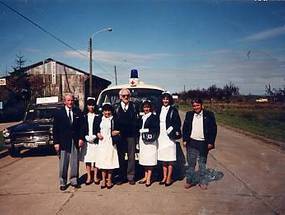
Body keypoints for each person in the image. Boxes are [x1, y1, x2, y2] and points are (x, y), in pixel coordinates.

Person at [182, 98, 217, 190]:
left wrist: (211, 142)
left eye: (197, 105)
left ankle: (202, 182)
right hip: (192, 142)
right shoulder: (189, 114)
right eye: (194, 106)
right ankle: (189, 181)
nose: (196, 107)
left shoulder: (209, 115)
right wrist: (185, 140)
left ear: (202, 105)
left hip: (203, 143)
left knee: (202, 164)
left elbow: (213, 129)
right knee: (191, 164)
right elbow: (185, 128)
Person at [53, 93, 84, 191]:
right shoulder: (59, 113)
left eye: (71, 100)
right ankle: (63, 182)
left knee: (74, 162)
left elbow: (82, 127)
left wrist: (81, 138)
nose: (70, 102)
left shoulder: (77, 111)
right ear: (64, 101)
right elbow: (55, 129)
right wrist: (56, 143)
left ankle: (74, 180)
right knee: (63, 163)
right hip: (63, 141)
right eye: (68, 100)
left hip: (74, 140)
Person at [115, 88, 139, 185]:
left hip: (131, 135)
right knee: (120, 156)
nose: (126, 97)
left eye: (127, 96)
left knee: (131, 157)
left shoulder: (134, 106)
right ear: (120, 97)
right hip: (120, 136)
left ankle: (130, 176)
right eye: (124, 96)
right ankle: (121, 176)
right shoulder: (115, 107)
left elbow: (137, 121)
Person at [157, 91, 181, 186]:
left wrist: (170, 129)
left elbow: (177, 123)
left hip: (169, 136)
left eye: (167, 99)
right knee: (163, 158)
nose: (165, 100)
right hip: (161, 135)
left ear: (169, 100)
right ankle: (164, 177)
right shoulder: (159, 109)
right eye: (164, 99)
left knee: (170, 158)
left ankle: (169, 177)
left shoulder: (173, 110)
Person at [95, 103, 120, 189]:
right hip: (102, 143)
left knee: (110, 161)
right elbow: (96, 128)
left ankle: (109, 180)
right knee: (103, 161)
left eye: (109, 110)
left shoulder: (114, 119)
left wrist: (117, 132)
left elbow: (120, 129)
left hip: (110, 143)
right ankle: (103, 179)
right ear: (103, 111)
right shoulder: (99, 119)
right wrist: (98, 134)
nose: (107, 112)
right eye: (105, 110)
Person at [138, 100, 159, 187]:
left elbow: (155, 129)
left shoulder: (154, 117)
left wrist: (144, 130)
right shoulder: (142, 117)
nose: (146, 109)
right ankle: (145, 176)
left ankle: (149, 178)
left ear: (150, 108)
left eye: (148, 107)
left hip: (150, 141)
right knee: (144, 159)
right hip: (142, 140)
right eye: (145, 107)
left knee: (150, 159)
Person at [80, 97, 100, 185]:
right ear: (87, 106)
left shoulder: (98, 116)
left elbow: (100, 128)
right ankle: (89, 177)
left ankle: (95, 176)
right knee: (88, 159)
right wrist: (85, 137)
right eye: (89, 105)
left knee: (95, 159)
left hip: (95, 141)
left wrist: (95, 136)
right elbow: (81, 128)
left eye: (92, 105)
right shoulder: (84, 116)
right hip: (87, 141)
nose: (91, 107)